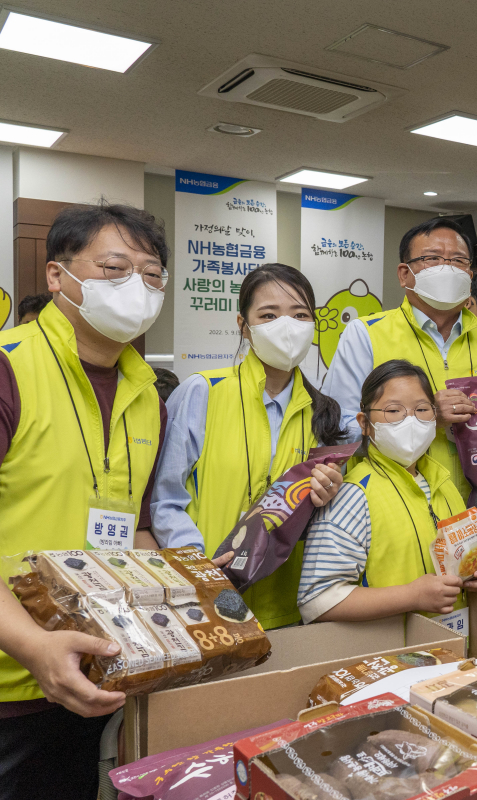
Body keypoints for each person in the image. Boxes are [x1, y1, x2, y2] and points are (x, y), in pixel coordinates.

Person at [0, 203, 169, 799]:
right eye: (115, 269)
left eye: (152, 275)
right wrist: (33, 645)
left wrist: (179, 598)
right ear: (57, 275)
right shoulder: (8, 368)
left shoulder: (148, 396)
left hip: (94, 668)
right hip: (9, 681)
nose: (137, 287)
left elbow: (134, 526)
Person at [151, 264, 347, 630]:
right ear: (243, 325)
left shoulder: (324, 413)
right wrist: (199, 566)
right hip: (203, 597)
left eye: (300, 315)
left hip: (285, 605)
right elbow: (165, 499)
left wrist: (328, 495)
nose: (286, 326)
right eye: (269, 315)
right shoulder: (203, 391)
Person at [323, 218, 477, 580]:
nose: (447, 267)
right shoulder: (366, 334)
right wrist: (422, 416)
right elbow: (338, 429)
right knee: (403, 612)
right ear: (405, 274)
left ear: (470, 274)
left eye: (458, 260)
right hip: (392, 525)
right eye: (432, 258)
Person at [297, 360, 477, 633]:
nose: (410, 421)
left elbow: (460, 557)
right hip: (393, 653)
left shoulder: (445, 484)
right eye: (393, 411)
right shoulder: (354, 496)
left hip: (453, 648)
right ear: (365, 423)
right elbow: (316, 600)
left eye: (422, 409)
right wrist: (412, 596)